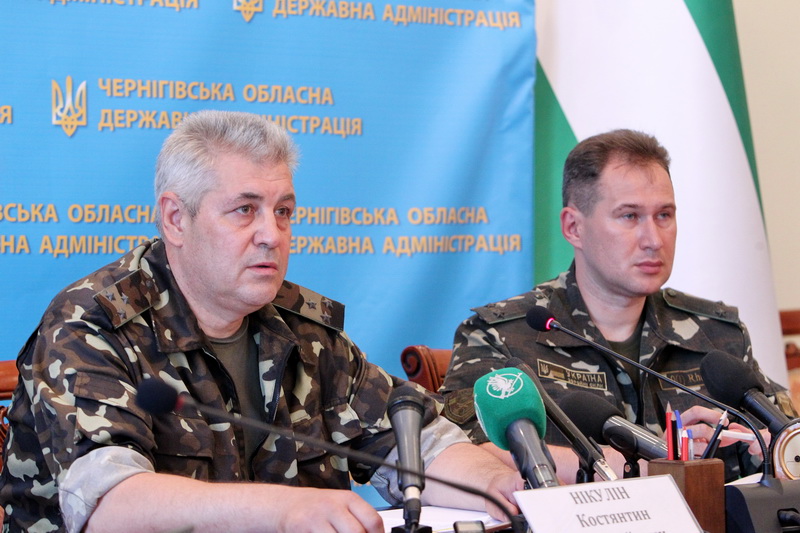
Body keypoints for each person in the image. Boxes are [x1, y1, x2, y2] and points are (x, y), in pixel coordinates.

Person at [0, 110, 523, 532]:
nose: (272, 234)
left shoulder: (304, 331)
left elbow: (419, 445)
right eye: (245, 210)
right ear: (176, 219)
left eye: (284, 211)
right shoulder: (91, 325)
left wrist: (490, 483)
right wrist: (283, 511)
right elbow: (112, 507)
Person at [440, 128, 796, 483]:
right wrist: (642, 465)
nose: (653, 240)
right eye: (629, 216)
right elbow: (465, 450)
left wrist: (771, 450)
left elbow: (784, 443)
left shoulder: (718, 337)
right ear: (574, 227)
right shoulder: (502, 336)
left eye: (664, 215)